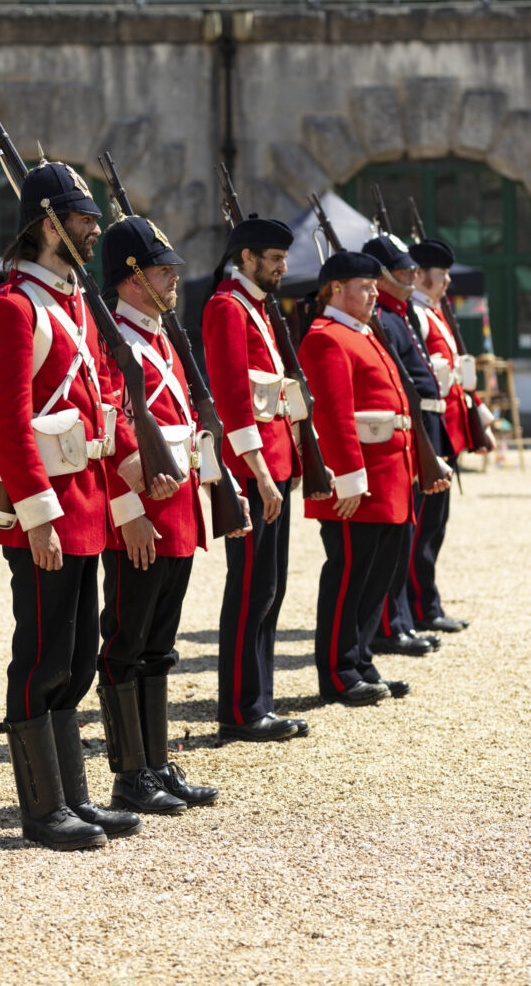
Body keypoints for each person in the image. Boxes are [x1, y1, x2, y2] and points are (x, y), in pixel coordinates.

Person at [0, 161, 177, 852]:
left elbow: (108, 408)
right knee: (41, 655)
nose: (95, 230)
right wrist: (37, 513)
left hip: (87, 502)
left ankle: (75, 798)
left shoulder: (71, 306)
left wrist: (134, 473)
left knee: (79, 660)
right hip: (48, 511)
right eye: (83, 219)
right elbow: (5, 420)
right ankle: (42, 809)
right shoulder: (11, 308)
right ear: (47, 225)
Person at [97, 215, 249, 814]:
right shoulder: (116, 343)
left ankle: (156, 763)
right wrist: (129, 509)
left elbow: (188, 428)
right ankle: (129, 773)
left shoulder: (161, 338)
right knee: (126, 641)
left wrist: (218, 485)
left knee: (159, 644)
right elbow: (112, 431)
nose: (174, 279)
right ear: (132, 280)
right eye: (164, 271)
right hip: (144, 514)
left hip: (181, 506)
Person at [298, 251, 448, 706]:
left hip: (388, 477)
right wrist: (347, 479)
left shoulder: (364, 332)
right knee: (349, 577)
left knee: (379, 576)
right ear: (336, 289)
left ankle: (360, 659)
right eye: (364, 287)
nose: (373, 294)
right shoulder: (326, 337)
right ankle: (339, 672)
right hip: (357, 484)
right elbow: (334, 416)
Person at [202, 216, 314, 742]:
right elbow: (231, 401)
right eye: (273, 258)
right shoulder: (227, 308)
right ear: (246, 257)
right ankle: (242, 709)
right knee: (250, 589)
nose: (282, 267)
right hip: (253, 472)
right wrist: (261, 475)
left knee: (271, 586)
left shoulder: (259, 309)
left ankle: (259, 699)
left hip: (276, 465)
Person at [361, 234, 447, 657]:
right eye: (402, 269)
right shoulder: (385, 315)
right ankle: (391, 625)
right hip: (402, 431)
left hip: (421, 425)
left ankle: (400, 621)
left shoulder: (398, 314)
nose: (412, 275)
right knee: (399, 537)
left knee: (413, 530)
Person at [407, 238, 495, 634]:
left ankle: (424, 602)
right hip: (432, 427)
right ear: (422, 274)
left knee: (434, 525)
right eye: (440, 275)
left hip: (449, 427)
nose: (446, 283)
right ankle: (418, 605)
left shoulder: (433, 312)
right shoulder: (418, 314)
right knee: (423, 526)